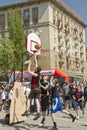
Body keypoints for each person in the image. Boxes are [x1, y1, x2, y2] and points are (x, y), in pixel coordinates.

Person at [28, 55, 42, 120]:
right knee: (36, 100)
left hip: (34, 88)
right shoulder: (39, 73)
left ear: (36, 69)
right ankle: (38, 112)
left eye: (35, 68)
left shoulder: (36, 74)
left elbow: (28, 71)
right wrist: (35, 55)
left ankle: (27, 111)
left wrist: (29, 65)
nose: (34, 68)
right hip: (38, 89)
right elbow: (36, 63)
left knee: (28, 99)